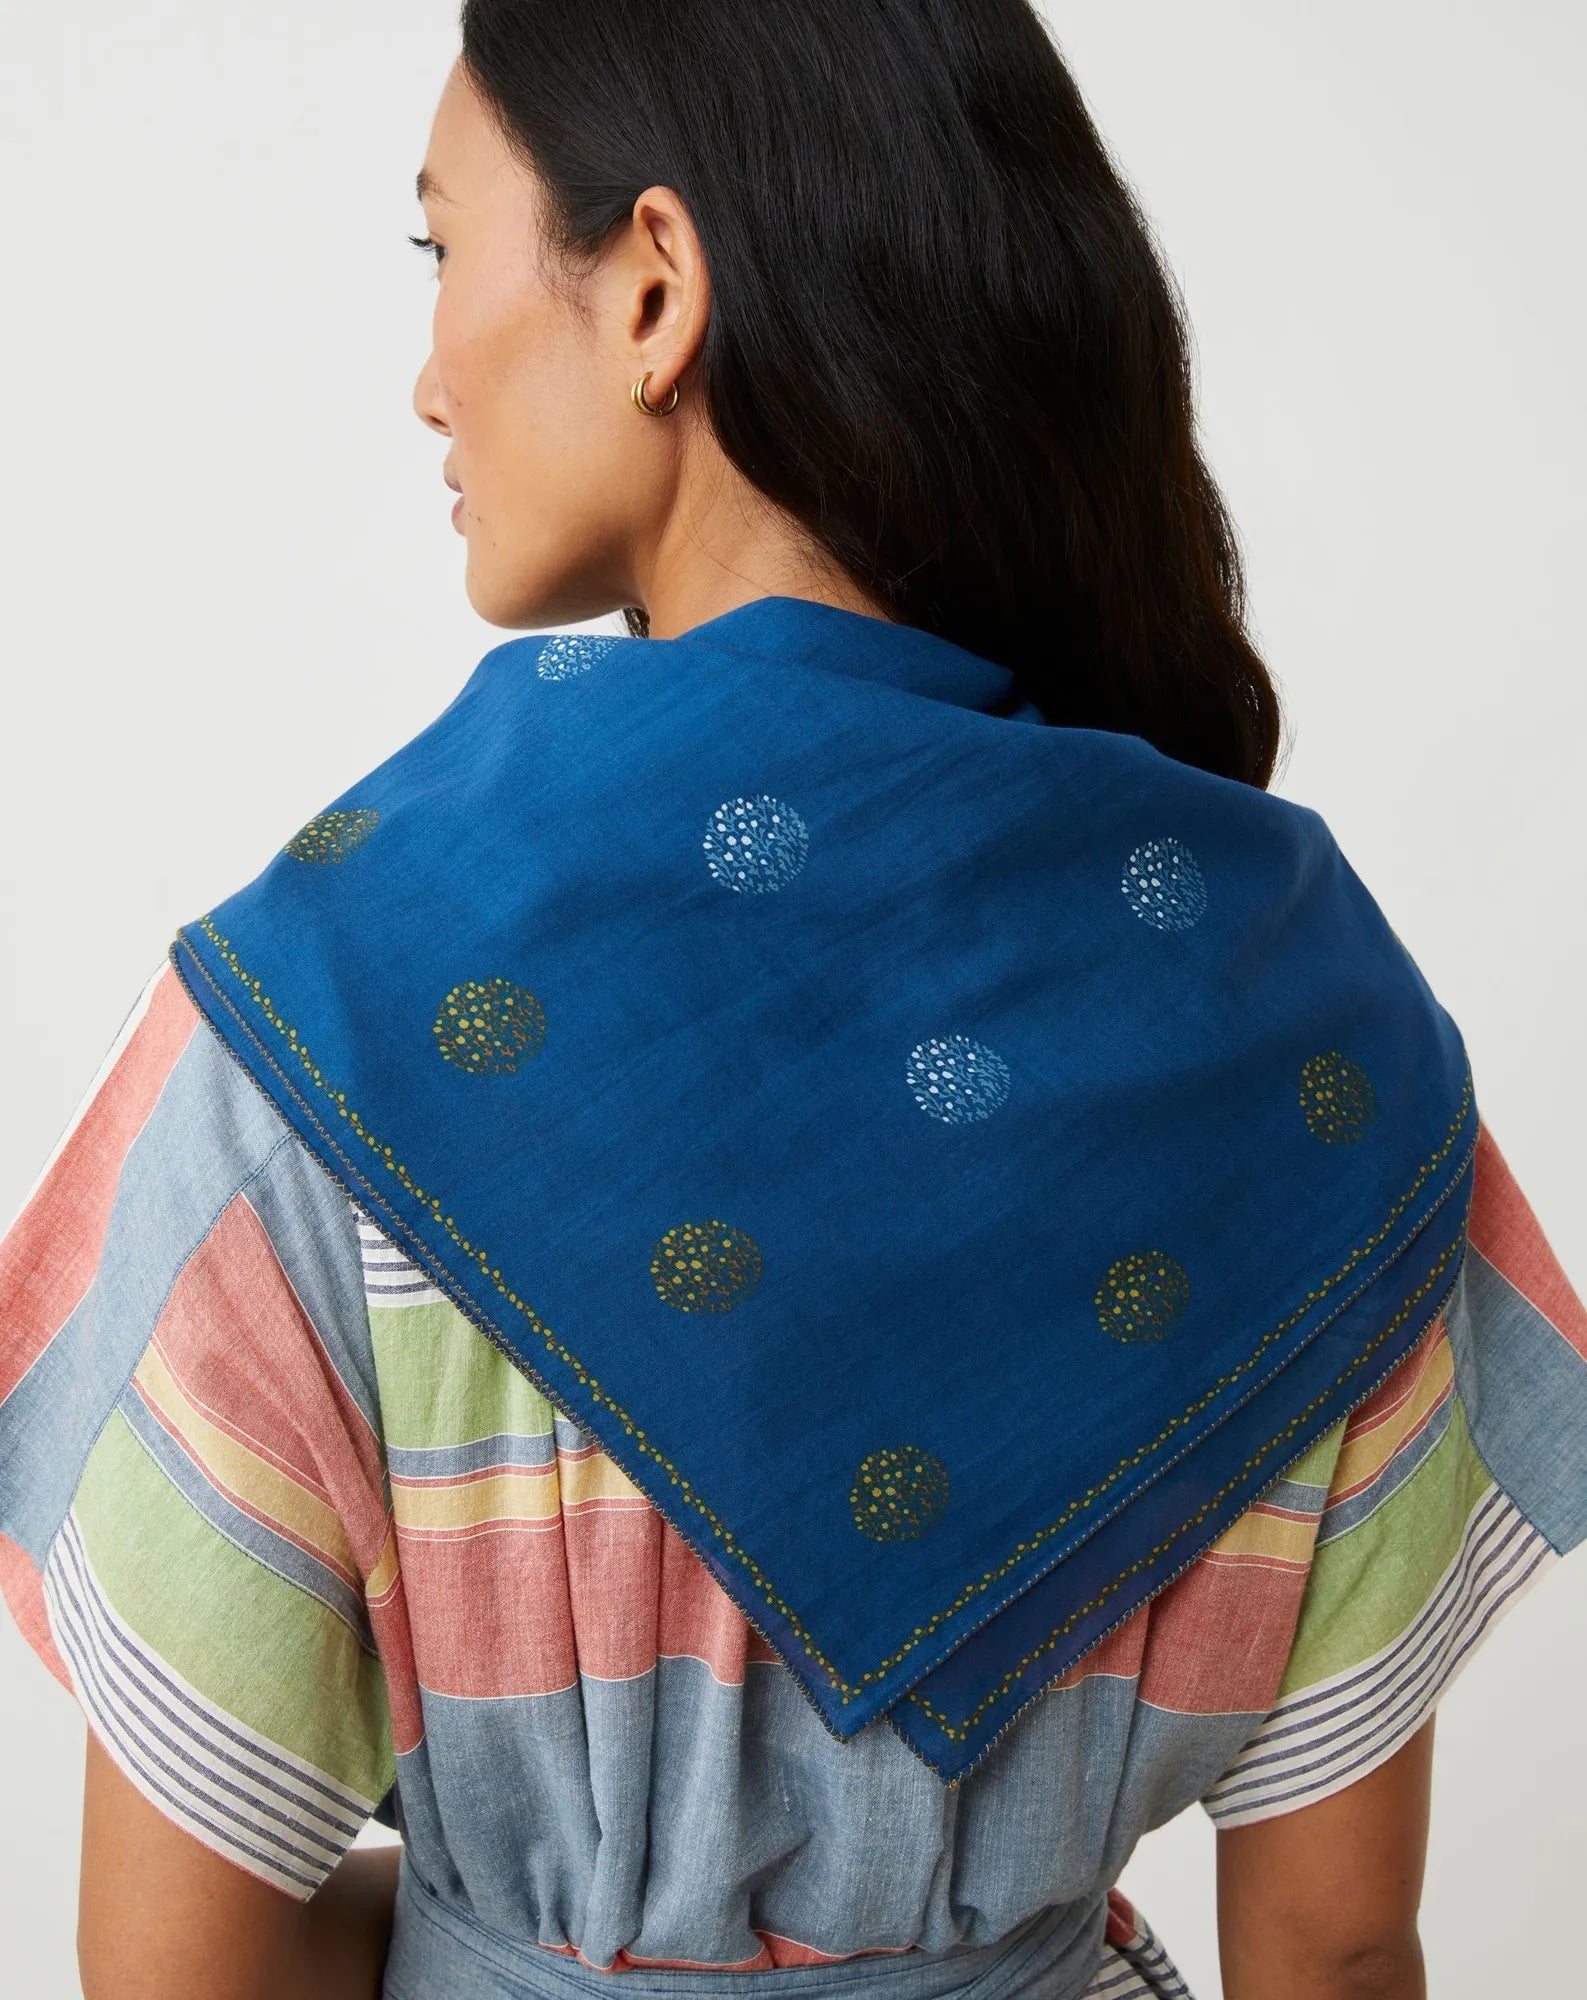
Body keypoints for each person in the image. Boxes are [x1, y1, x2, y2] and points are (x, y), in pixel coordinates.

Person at [1, 5, 1582, 1998]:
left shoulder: (328, 1021)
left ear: (654, 289)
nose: (426, 376)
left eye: (440, 247)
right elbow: (1335, 1951)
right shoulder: (1312, 1047)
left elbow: (176, 1971)